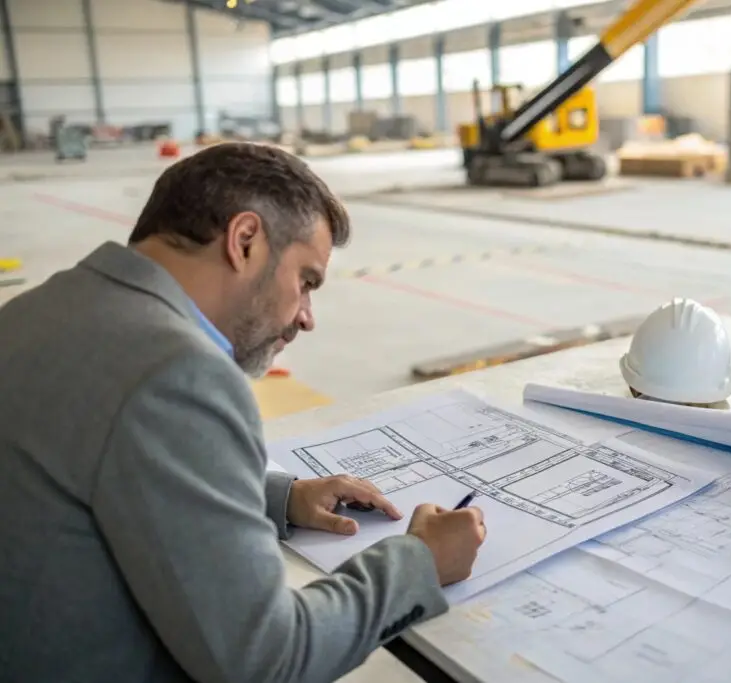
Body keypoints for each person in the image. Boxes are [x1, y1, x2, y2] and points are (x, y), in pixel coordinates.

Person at [0, 142, 487, 683]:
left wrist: (277, 494)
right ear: (246, 241)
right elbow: (267, 660)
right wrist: (420, 561)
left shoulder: (40, 310)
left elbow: (102, 456)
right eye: (306, 281)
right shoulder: (176, 372)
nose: (306, 317)